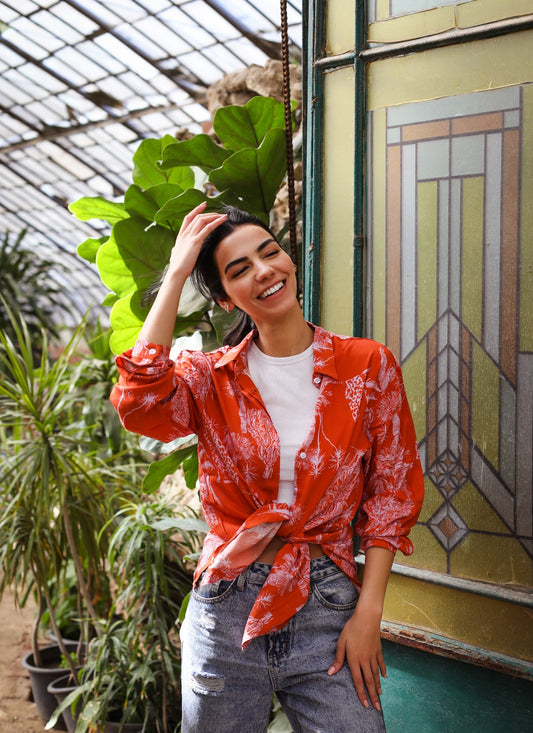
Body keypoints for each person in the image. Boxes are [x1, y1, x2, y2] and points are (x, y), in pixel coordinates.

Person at [111, 201, 425, 733]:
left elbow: (391, 497)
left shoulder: (367, 366)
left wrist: (368, 613)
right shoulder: (209, 380)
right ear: (224, 295)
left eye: (269, 252)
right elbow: (139, 402)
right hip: (227, 604)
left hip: (328, 602)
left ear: (289, 259)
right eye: (238, 270)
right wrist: (178, 271)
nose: (263, 272)